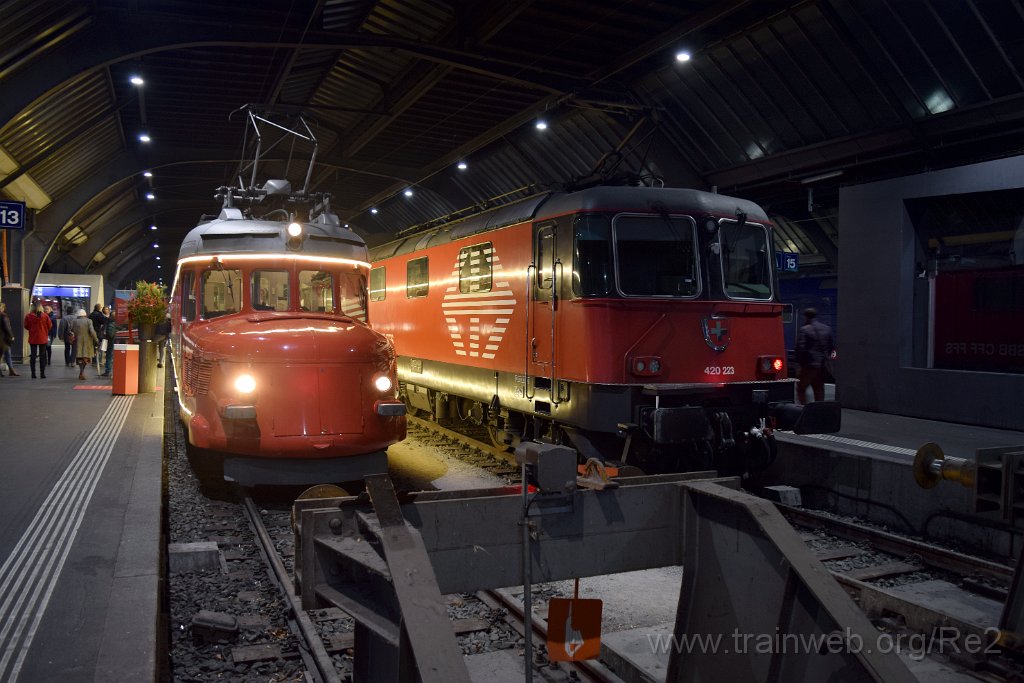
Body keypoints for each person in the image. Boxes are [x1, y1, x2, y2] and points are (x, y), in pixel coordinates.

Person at [795, 307, 836, 405]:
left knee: (800, 388)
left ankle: (804, 410)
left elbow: (800, 348)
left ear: (806, 317)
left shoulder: (805, 329)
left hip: (809, 366)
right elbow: (831, 348)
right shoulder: (827, 329)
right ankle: (818, 411)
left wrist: (799, 366)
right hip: (821, 366)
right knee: (819, 389)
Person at [23, 303, 52, 379]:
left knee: (33, 356)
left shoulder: (28, 316)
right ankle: (42, 374)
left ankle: (33, 374)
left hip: (33, 338)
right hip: (42, 338)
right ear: (41, 308)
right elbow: (50, 326)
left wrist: (32, 329)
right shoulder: (45, 316)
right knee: (42, 356)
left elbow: (26, 326)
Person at [71, 309, 99, 381]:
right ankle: (82, 372)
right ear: (85, 314)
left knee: (79, 357)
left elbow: (71, 330)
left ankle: (81, 371)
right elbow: (92, 331)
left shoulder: (74, 321)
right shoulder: (89, 321)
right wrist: (96, 339)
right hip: (87, 342)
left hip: (77, 342)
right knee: (85, 357)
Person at [0, 302, 18, 376]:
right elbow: (7, 327)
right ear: (3, 308)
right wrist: (11, 336)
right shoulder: (3, 316)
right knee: (7, 354)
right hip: (3, 339)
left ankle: (10, 370)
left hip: (2, 339)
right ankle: (11, 370)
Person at [101, 306, 116, 377]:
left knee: (109, 357)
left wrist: (105, 335)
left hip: (110, 343)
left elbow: (109, 334)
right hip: (115, 343)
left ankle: (108, 371)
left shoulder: (110, 323)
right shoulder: (117, 324)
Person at [88, 303, 106, 368]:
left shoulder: (91, 314)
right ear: (99, 308)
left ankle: (93, 360)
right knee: (98, 347)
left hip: (91, 333)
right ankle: (98, 361)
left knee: (93, 347)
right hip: (98, 333)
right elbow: (103, 321)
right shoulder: (99, 315)